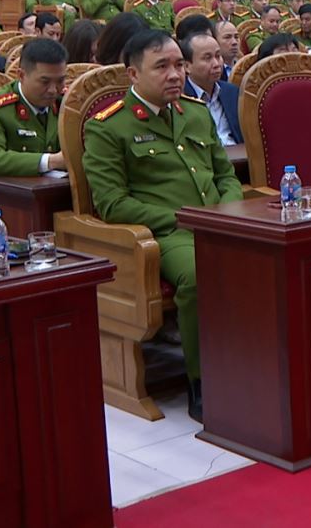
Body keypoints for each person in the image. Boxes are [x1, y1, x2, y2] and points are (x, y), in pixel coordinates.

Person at [82, 29, 244, 420]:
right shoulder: (108, 126)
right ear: (133, 74)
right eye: (161, 67)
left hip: (219, 222)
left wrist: (230, 210)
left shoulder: (196, 112)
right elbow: (112, 204)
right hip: (169, 233)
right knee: (201, 272)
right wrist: (186, 217)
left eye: (179, 65)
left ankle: (258, 363)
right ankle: (203, 380)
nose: (174, 75)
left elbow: (225, 175)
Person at [0, 38, 69, 177]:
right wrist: (52, 161)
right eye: (45, 82)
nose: (53, 90)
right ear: (21, 75)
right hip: (9, 188)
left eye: (60, 81)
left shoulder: (68, 103)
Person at [181, 28, 242, 145]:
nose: (216, 64)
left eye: (218, 56)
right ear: (187, 66)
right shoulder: (180, 98)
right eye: (207, 58)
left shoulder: (232, 92)